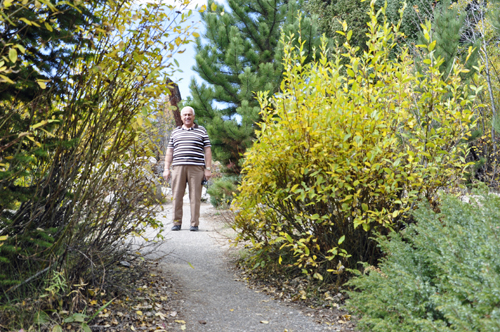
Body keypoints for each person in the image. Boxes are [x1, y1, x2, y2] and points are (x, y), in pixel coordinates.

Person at [162, 106, 212, 231]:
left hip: (196, 168)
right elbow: (169, 151)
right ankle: (176, 223)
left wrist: (208, 168)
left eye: (189, 114)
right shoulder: (175, 131)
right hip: (178, 167)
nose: (187, 117)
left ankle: (194, 224)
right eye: (185, 115)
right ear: (181, 117)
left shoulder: (201, 131)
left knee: (195, 197)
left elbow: (207, 150)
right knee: (177, 195)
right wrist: (166, 168)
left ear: (193, 116)